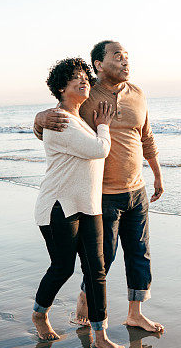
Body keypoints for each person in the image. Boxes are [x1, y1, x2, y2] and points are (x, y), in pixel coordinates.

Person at [34, 41, 164, 333]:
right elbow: (58, 119)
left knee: (139, 252)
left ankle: (135, 313)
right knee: (103, 258)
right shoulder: (87, 93)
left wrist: (157, 174)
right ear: (99, 64)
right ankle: (85, 298)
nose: (125, 62)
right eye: (118, 57)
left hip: (136, 188)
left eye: (127, 57)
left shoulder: (138, 94)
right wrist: (38, 119)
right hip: (102, 194)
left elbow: (146, 136)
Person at [32, 57, 126, 348]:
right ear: (61, 87)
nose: (84, 79)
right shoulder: (59, 121)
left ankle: (100, 334)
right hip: (58, 206)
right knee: (62, 267)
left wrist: (96, 124)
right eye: (76, 77)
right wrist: (103, 125)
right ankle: (39, 313)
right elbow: (98, 150)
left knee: (96, 271)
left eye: (86, 75)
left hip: (89, 205)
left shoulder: (78, 120)